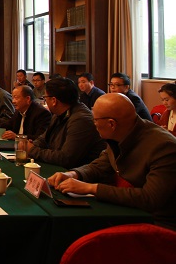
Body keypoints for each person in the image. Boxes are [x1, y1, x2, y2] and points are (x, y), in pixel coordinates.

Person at [48, 93, 176, 231]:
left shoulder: (164, 147)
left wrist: (91, 188)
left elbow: (150, 198)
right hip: (130, 211)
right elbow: (101, 165)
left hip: (159, 223)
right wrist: (74, 174)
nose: (94, 124)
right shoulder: (122, 132)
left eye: (95, 120)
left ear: (111, 123)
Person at [24, 77, 105, 168]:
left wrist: (32, 150)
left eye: (45, 98)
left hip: (76, 172)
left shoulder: (81, 120)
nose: (45, 100)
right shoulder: (59, 113)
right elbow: (44, 139)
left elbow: (66, 158)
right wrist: (32, 145)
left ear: (54, 101)